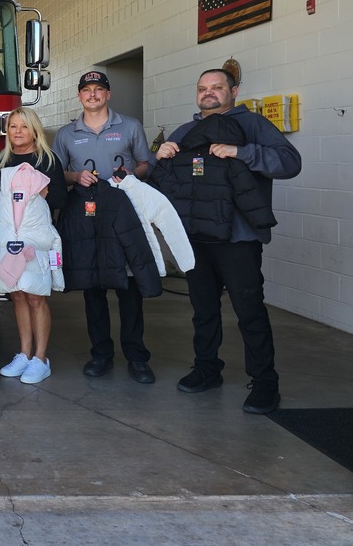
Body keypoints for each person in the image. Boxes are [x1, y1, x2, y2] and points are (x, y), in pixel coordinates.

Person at [154, 68, 301, 414]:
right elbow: (158, 178)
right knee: (203, 310)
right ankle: (207, 369)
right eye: (203, 88)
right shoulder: (185, 131)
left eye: (217, 87)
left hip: (239, 238)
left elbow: (290, 163)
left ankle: (265, 383)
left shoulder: (253, 126)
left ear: (233, 91)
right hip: (196, 239)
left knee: (249, 311)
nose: (209, 93)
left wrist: (242, 152)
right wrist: (159, 157)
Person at [52, 70, 156, 384]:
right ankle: (101, 354)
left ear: (108, 94)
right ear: (79, 96)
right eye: (87, 90)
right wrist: (75, 177)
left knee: (129, 288)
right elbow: (57, 173)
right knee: (93, 287)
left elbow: (146, 163)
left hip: (123, 214)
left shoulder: (130, 126)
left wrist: (131, 174)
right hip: (86, 217)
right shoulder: (67, 133)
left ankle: (137, 357)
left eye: (99, 89)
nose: (93, 95)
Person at [0, 107, 67, 384]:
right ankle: (23, 354)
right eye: (13, 126)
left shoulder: (47, 160)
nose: (18, 132)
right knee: (17, 294)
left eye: (24, 127)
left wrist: (39, 189)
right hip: (9, 238)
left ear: (34, 129)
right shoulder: (1, 159)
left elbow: (60, 199)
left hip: (36, 238)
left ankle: (40, 358)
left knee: (36, 296)